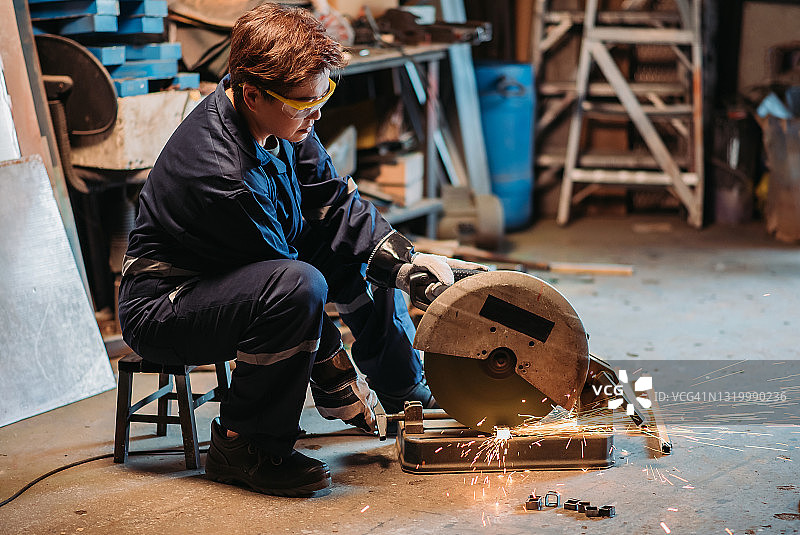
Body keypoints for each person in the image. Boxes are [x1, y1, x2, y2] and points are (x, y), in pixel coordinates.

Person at [118, 3, 482, 497]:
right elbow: (283, 282)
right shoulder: (223, 176)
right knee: (300, 286)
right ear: (251, 93)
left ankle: (404, 392)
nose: (318, 113)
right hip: (169, 304)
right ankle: (244, 445)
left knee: (364, 256)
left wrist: (407, 263)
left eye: (324, 94)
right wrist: (336, 377)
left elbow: (332, 203)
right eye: (305, 103)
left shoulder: (282, 119)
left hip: (245, 268)